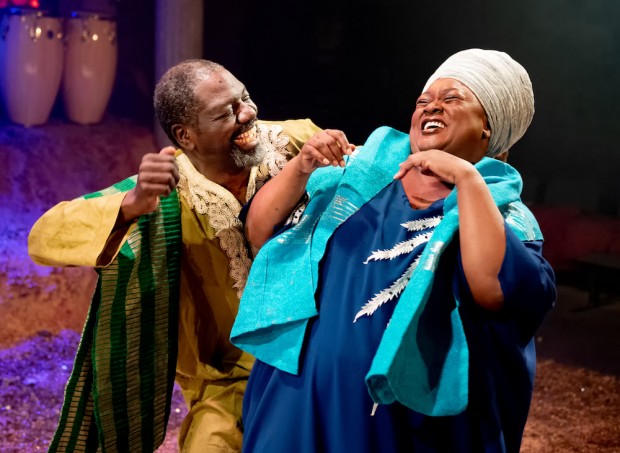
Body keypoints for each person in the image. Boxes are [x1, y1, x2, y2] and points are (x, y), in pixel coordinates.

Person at [231, 49, 557, 453]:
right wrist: (301, 167)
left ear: (489, 127)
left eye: (453, 98)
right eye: (424, 100)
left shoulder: (503, 213)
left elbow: (492, 290)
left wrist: (466, 179)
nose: (432, 105)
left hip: (407, 429)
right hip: (296, 406)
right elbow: (260, 231)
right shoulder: (354, 177)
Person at [27, 59, 328, 452]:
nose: (248, 113)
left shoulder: (295, 142)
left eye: (246, 98)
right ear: (186, 136)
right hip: (229, 383)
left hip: (319, 355)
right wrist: (132, 203)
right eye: (226, 112)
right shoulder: (165, 194)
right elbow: (43, 237)